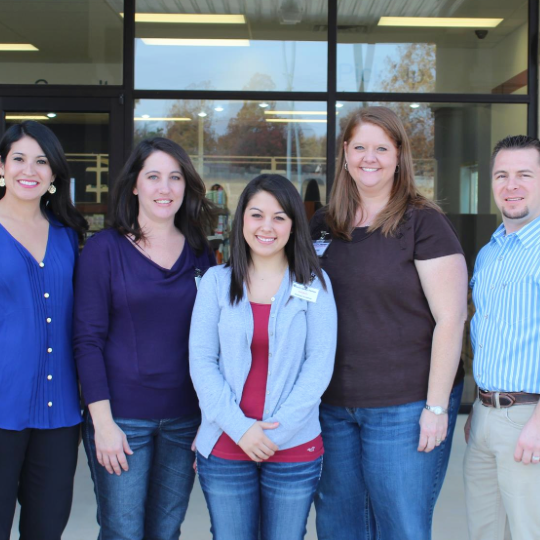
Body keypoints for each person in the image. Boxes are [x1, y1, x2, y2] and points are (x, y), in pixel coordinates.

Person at [310, 106, 468, 540]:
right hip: (333, 405)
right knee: (340, 525)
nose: (370, 157)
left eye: (382, 147)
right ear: (344, 152)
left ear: (399, 155)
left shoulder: (423, 222)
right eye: (360, 147)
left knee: (400, 527)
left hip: (405, 405)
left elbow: (451, 318)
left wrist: (436, 408)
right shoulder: (324, 224)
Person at [73, 137, 216, 540]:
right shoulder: (104, 249)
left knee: (166, 529)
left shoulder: (200, 252)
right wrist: (102, 423)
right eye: (153, 176)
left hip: (185, 420)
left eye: (174, 177)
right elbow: (86, 339)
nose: (164, 188)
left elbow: (213, 341)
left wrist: (209, 420)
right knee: (122, 530)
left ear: (186, 186)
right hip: (122, 419)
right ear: (134, 185)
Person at [190, 174, 337, 540]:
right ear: (241, 221)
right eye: (256, 215)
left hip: (293, 445)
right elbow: (202, 361)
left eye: (279, 217)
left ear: (293, 226)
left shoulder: (314, 283)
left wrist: (276, 433)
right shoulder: (215, 282)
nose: (266, 227)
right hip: (226, 443)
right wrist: (241, 429)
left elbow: (319, 363)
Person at [0, 121, 88, 540]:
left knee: (46, 529)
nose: (28, 169)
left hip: (59, 414)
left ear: (54, 175)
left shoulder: (68, 237)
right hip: (2, 406)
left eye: (41, 160)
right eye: (18, 158)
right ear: (2, 167)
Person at [464, 135, 540, 540]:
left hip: (530, 419)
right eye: (502, 175)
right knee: (484, 532)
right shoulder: (489, 252)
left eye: (524, 175)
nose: (511, 185)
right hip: (484, 415)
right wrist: (480, 411)